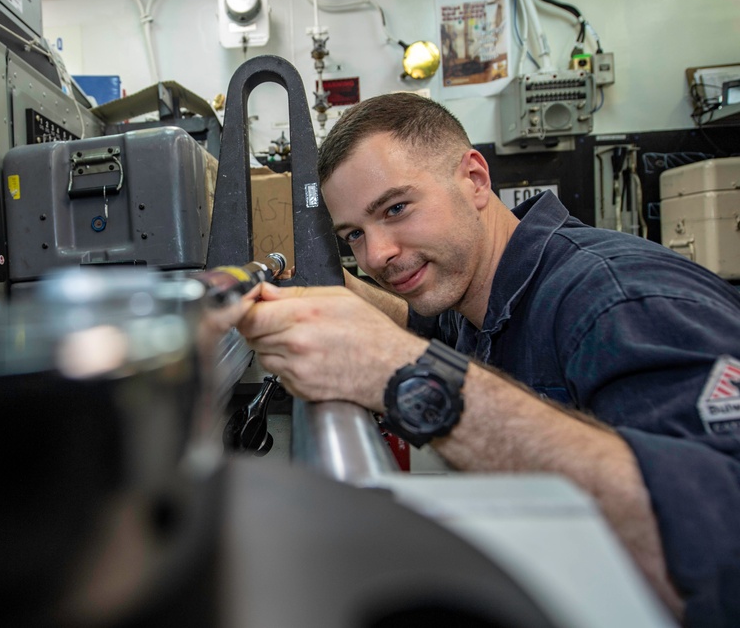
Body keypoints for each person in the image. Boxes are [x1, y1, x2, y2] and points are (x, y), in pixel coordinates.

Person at [230, 92, 740, 627]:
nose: (376, 254)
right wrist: (331, 291)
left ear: (474, 179)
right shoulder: (472, 293)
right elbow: (415, 324)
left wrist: (400, 372)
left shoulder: (620, 302)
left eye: (396, 209)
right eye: (355, 234)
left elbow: (719, 535)